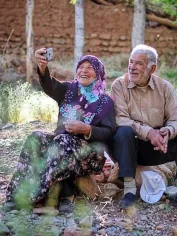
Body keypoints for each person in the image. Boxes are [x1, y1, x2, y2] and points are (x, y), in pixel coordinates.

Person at [4, 48, 115, 212]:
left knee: (63, 141)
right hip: (61, 143)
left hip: (90, 153)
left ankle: (36, 197)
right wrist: (42, 67)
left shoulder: (105, 101)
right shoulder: (69, 89)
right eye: (81, 67)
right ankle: (17, 194)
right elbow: (49, 85)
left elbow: (109, 131)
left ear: (98, 73)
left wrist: (86, 129)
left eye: (89, 68)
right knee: (36, 137)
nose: (84, 71)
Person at [110, 44, 177, 215]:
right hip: (130, 148)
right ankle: (129, 190)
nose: (132, 67)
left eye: (139, 64)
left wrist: (166, 132)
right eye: (131, 62)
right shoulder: (119, 85)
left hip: (157, 147)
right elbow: (120, 119)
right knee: (124, 131)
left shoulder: (165, 88)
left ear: (152, 68)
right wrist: (149, 132)